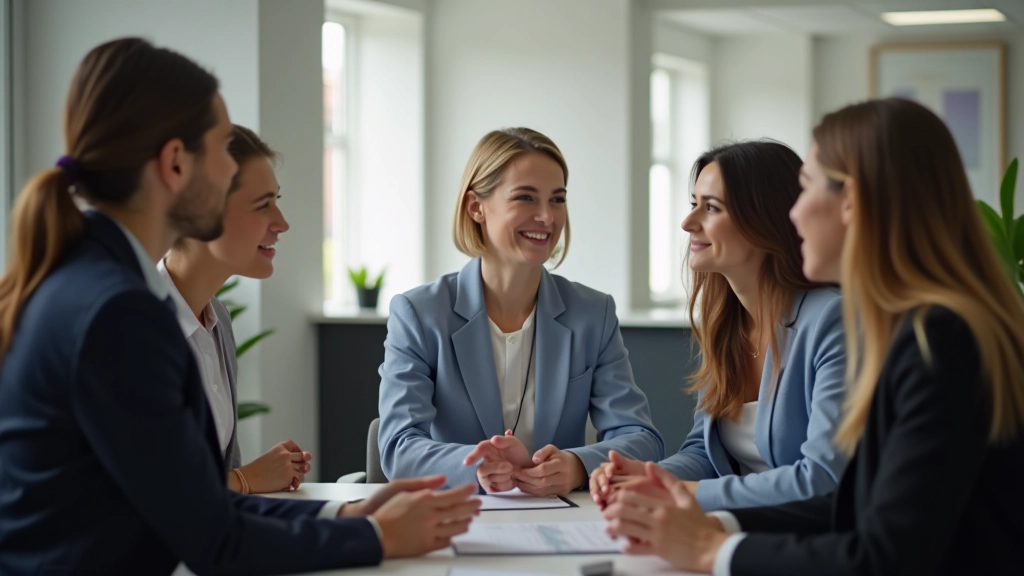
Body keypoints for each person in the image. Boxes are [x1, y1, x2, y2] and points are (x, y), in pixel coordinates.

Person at [0, 37, 478, 576]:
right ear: (176, 163)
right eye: (223, 150)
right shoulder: (118, 314)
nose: (232, 170)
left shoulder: (84, 280)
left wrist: (347, 514)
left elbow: (194, 503)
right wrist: (374, 536)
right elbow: (215, 541)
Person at [602, 98, 1024, 576]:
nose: (793, 213)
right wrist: (710, 527)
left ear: (852, 202)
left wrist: (707, 549)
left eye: (804, 190)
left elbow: (884, 554)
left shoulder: (938, 340)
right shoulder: (921, 327)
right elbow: (852, 504)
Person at [378, 127, 664, 495]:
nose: (547, 216)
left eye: (557, 199)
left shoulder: (594, 314)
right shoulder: (419, 314)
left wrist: (578, 465)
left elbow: (640, 437)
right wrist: (476, 467)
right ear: (476, 207)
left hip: (563, 521)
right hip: (457, 514)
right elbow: (399, 447)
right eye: (526, 198)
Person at [589, 141, 848, 511]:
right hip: (741, 531)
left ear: (766, 221)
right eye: (693, 204)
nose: (688, 222)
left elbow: (822, 478)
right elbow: (707, 455)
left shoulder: (831, 321)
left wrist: (681, 494)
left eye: (711, 208)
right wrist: (649, 478)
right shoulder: (725, 324)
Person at [161, 124, 310, 494]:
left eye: (277, 200)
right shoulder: (135, 325)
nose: (283, 223)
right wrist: (247, 480)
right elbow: (145, 495)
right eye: (264, 205)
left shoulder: (218, 322)